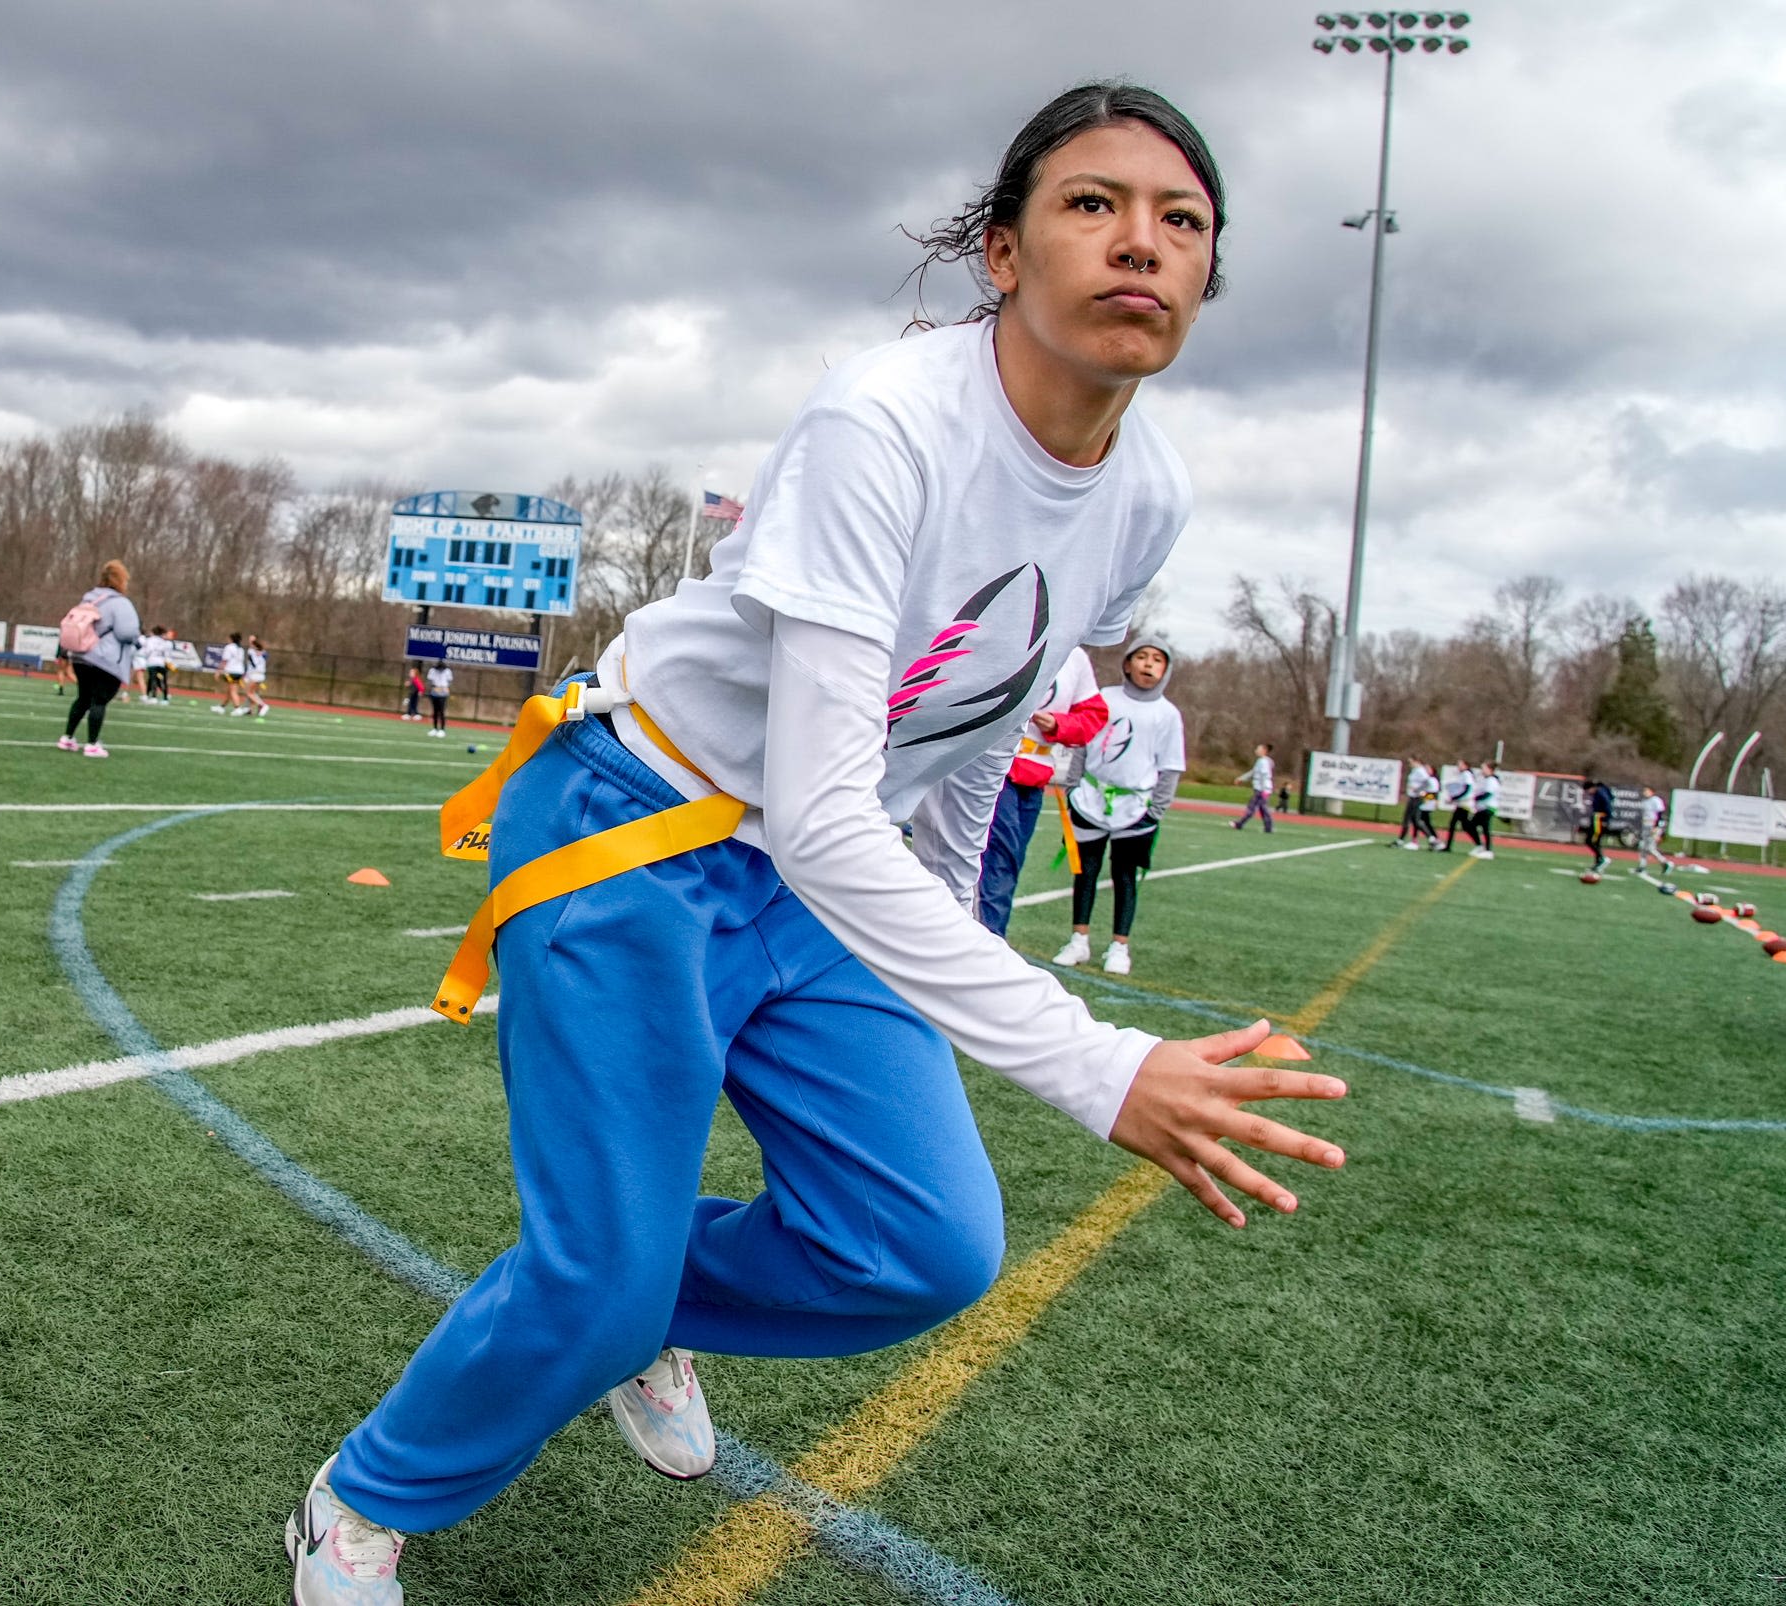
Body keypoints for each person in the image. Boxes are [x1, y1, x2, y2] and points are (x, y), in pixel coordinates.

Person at [284, 83, 1347, 1606]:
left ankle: (642, 1309)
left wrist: (966, 929)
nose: (1142, 244)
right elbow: (832, 800)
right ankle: (364, 1498)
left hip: (823, 862)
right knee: (594, 1283)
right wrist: (1098, 1062)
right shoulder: (888, 420)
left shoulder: (1151, 491)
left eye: (1182, 222)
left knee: (920, 1245)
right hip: (638, 827)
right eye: (1093, 204)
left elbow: (986, 712)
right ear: (1002, 250)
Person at [1051, 632, 1184, 977]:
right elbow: (1082, 742)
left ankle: (1119, 946)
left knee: (1125, 878)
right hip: (1089, 799)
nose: (1148, 664)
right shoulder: (1105, 698)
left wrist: (1155, 810)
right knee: (1085, 872)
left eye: (1157, 659)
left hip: (1134, 809)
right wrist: (1072, 786)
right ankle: (1078, 939)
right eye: (1142, 657)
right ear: (1127, 663)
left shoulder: (1167, 714)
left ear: (1166, 670)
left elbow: (1170, 766)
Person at [976, 645, 1107, 935]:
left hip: (1035, 776)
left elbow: (1093, 717)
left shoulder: (1075, 656)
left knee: (1010, 863)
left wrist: (1059, 724)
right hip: (995, 767)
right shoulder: (1016, 635)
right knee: (998, 858)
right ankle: (988, 939)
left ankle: (989, 940)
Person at [57, 559, 140, 759]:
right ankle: (92, 744)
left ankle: (67, 737)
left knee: (83, 698)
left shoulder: (88, 599)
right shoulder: (120, 603)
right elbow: (126, 632)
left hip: (81, 656)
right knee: (100, 701)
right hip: (106, 658)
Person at [1229, 741, 1274, 833]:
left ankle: (1239, 824)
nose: (1256, 750)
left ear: (1264, 750)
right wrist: (1241, 778)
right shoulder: (1260, 761)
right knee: (1262, 809)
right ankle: (1268, 828)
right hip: (1260, 789)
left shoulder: (1264, 762)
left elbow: (1265, 776)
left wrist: (1265, 790)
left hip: (1262, 790)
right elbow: (1253, 772)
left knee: (1252, 807)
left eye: (1258, 749)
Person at [1634, 784, 1678, 875]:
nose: (1644, 792)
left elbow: (1659, 814)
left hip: (1653, 826)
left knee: (1650, 848)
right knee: (1643, 847)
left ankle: (1666, 863)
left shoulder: (1656, 800)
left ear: (1652, 791)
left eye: (1647, 790)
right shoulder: (1645, 801)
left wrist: (1656, 827)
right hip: (1646, 825)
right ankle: (1642, 865)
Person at [1396, 756, 1436, 849]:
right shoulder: (1415, 771)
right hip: (1416, 798)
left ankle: (1431, 839)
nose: (1410, 764)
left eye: (1411, 762)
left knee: (1413, 820)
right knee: (1415, 820)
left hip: (1419, 799)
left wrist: (1419, 791)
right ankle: (1430, 839)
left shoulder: (1421, 772)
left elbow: (1430, 788)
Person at [1439, 759, 1477, 853]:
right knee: (1456, 824)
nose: (1458, 766)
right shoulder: (1463, 775)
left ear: (1465, 765)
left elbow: (1467, 789)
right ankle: (1448, 846)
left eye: (1460, 764)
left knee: (1464, 825)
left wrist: (1455, 797)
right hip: (1461, 803)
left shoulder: (1466, 774)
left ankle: (1479, 844)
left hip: (1465, 803)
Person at [1583, 775, 1616, 873]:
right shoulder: (1600, 792)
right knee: (1595, 841)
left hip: (1599, 820)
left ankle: (1602, 859)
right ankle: (1598, 861)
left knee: (1590, 840)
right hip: (1598, 819)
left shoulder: (1601, 793)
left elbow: (1607, 806)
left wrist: (1606, 820)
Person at [1468, 761, 1500, 860]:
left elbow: (1488, 794)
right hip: (1484, 808)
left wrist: (1475, 798)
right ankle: (1483, 848)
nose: (1482, 771)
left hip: (1488, 807)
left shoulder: (1491, 780)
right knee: (1476, 826)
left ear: (1489, 769)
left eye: (1484, 768)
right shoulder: (1487, 780)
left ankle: (1487, 850)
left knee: (1476, 826)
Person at [212, 632, 247, 713]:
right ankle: (222, 707)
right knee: (230, 690)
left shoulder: (229, 647)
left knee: (233, 691)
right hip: (239, 672)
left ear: (231, 639)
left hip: (232, 672)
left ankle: (237, 708)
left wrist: (218, 671)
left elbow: (224, 660)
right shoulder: (240, 649)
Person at [140, 625, 171, 705]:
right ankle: (165, 698)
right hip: (162, 664)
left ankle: (154, 697)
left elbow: (147, 651)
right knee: (163, 681)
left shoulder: (150, 640)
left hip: (152, 663)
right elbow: (167, 654)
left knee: (153, 679)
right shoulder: (164, 642)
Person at [243, 635, 271, 717]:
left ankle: (262, 705)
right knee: (252, 693)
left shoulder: (251, 651)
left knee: (249, 692)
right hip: (259, 675)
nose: (250, 642)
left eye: (252, 641)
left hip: (254, 675)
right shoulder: (262, 652)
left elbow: (252, 662)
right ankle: (250, 709)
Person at [424, 661, 453, 737]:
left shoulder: (447, 671)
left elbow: (449, 681)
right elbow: (430, 680)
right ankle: (435, 728)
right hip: (435, 691)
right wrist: (435, 687)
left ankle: (442, 729)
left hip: (443, 692)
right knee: (435, 711)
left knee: (442, 711)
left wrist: (445, 688)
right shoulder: (432, 670)